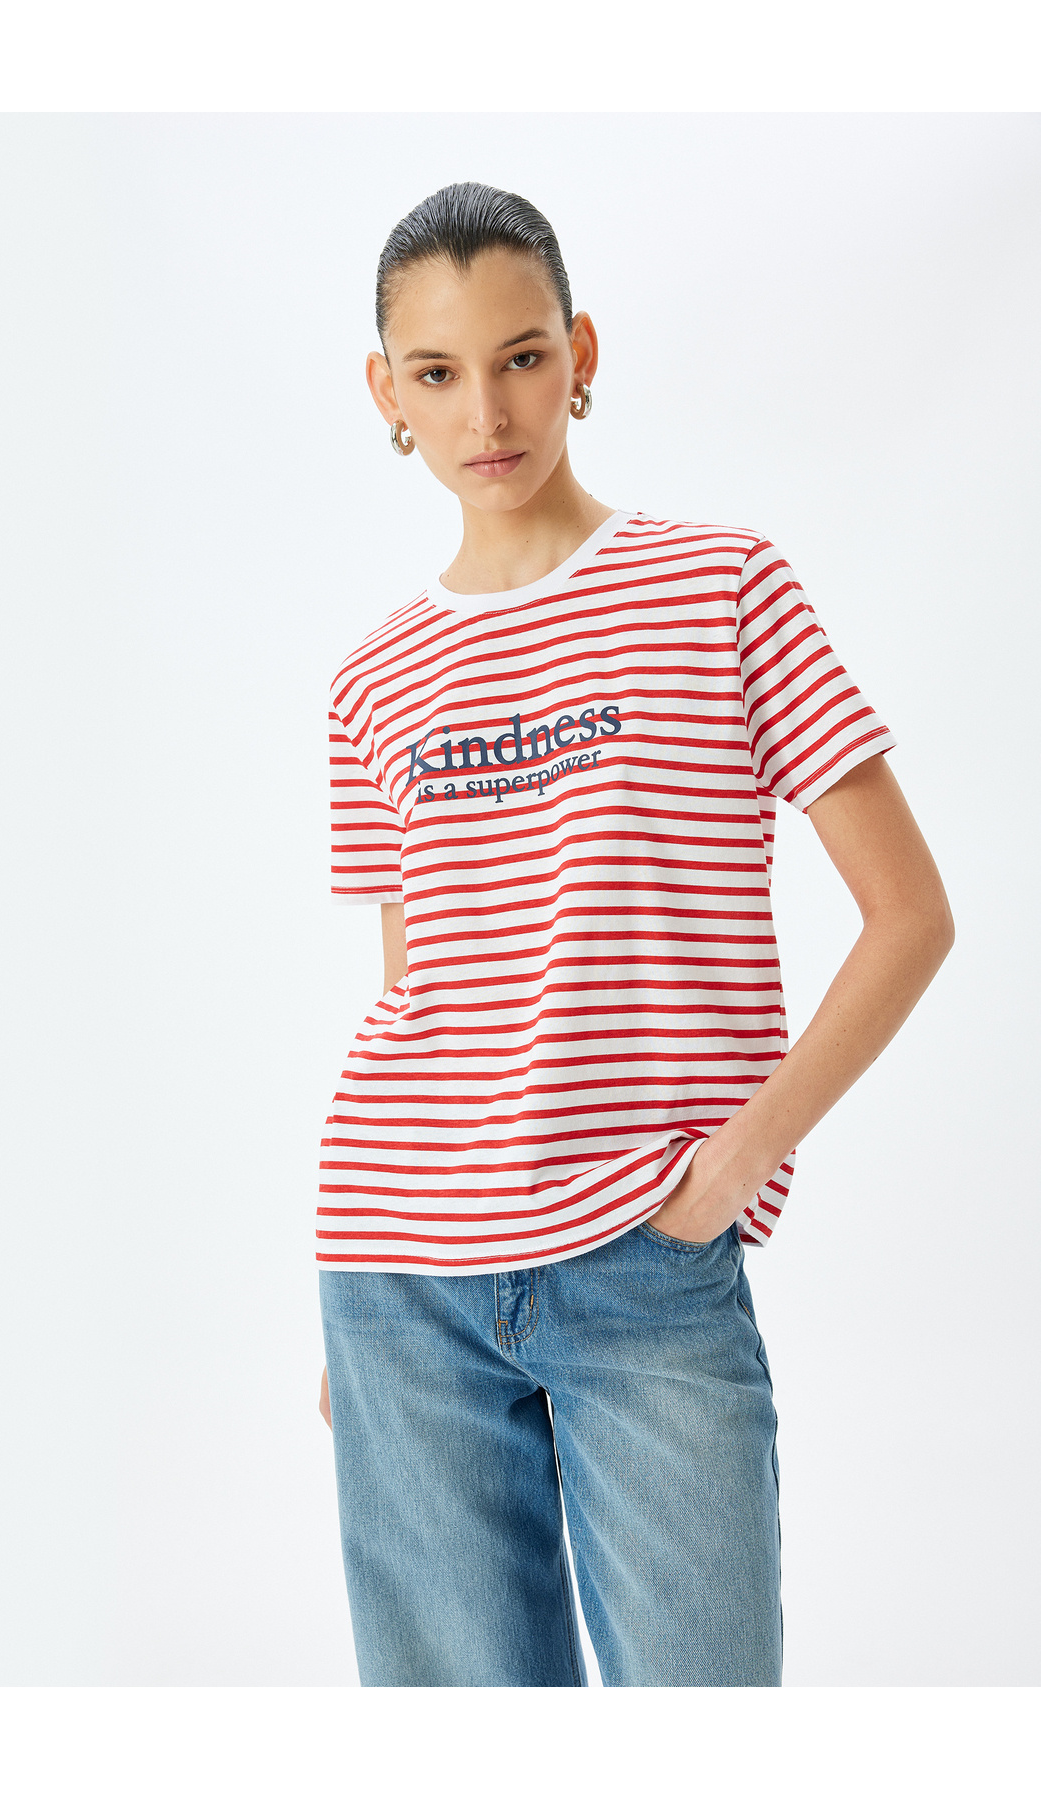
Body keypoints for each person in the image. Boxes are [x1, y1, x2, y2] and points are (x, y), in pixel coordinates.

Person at [315, 182, 953, 1688]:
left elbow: (912, 917)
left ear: (581, 353)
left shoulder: (721, 586)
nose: (487, 412)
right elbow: (418, 986)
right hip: (401, 1273)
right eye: (438, 372)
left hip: (646, 1259)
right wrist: (356, 1329)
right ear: (387, 392)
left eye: (522, 357)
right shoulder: (372, 680)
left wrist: (733, 1165)